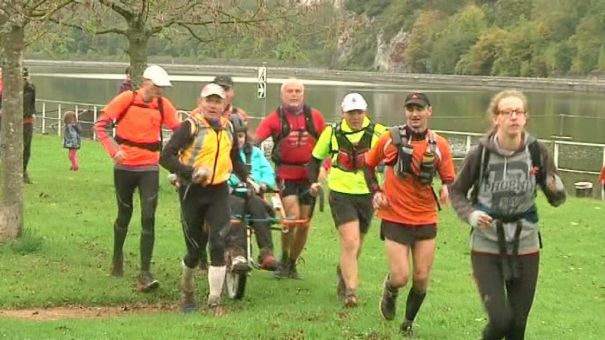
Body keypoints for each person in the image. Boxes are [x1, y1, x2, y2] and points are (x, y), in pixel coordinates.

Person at [450, 90, 566, 340]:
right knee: (500, 320)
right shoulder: (479, 154)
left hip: (526, 242)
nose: (513, 117)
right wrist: (471, 215)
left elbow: (555, 196)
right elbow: (457, 192)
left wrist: (556, 188)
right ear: (496, 118)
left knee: (517, 325)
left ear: (525, 117)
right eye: (507, 112)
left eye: (519, 112)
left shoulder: (537, 152)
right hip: (486, 244)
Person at [364, 92, 455, 336]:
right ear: (405, 112)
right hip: (394, 215)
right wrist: (376, 190)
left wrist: (446, 189)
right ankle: (390, 289)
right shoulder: (389, 139)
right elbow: (368, 165)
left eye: (419, 109)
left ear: (429, 111)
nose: (414, 114)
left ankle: (407, 322)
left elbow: (448, 178)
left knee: (422, 277)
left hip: (426, 217)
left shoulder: (440, 145)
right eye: (410, 109)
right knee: (401, 275)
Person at [160, 83, 247, 315]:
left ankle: (214, 300)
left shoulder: (228, 127)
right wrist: (190, 172)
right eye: (209, 100)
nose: (212, 105)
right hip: (192, 191)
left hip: (218, 191)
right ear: (201, 102)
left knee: (218, 242)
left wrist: (248, 179)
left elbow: (234, 158)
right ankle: (187, 291)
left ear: (223, 105)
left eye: (217, 101)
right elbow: (165, 156)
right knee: (194, 250)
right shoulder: (190, 126)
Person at [95, 64, 181, 291]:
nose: (161, 91)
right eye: (158, 87)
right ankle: (117, 258)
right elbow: (101, 126)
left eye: (163, 87)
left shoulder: (163, 105)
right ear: (147, 83)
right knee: (124, 214)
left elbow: (180, 131)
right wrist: (114, 151)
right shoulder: (126, 99)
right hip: (124, 167)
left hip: (149, 167)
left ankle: (145, 272)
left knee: (149, 216)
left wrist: (179, 155)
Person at [308, 93, 386, 307]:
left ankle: (343, 272)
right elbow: (314, 159)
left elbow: (394, 157)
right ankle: (351, 293)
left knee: (356, 245)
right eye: (351, 113)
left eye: (359, 112)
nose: (355, 117)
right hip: (341, 193)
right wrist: (313, 182)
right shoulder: (332, 133)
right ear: (344, 113)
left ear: (365, 112)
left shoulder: (379, 133)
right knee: (350, 241)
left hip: (367, 194)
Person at [255, 78, 326, 279]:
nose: (294, 95)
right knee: (292, 218)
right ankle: (284, 259)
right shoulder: (274, 118)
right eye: (290, 91)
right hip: (285, 174)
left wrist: (324, 168)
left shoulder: (315, 117)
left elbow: (329, 145)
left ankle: (291, 264)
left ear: (303, 94)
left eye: (297, 91)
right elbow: (255, 140)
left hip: (309, 176)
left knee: (304, 223)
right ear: (282, 94)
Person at [226, 116, 279, 271]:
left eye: (241, 136)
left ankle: (266, 253)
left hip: (252, 196)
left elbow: (268, 172)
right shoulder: (220, 153)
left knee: (257, 204)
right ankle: (237, 253)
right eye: (234, 137)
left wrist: (264, 184)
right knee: (236, 205)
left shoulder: (255, 153)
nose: (238, 140)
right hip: (229, 199)